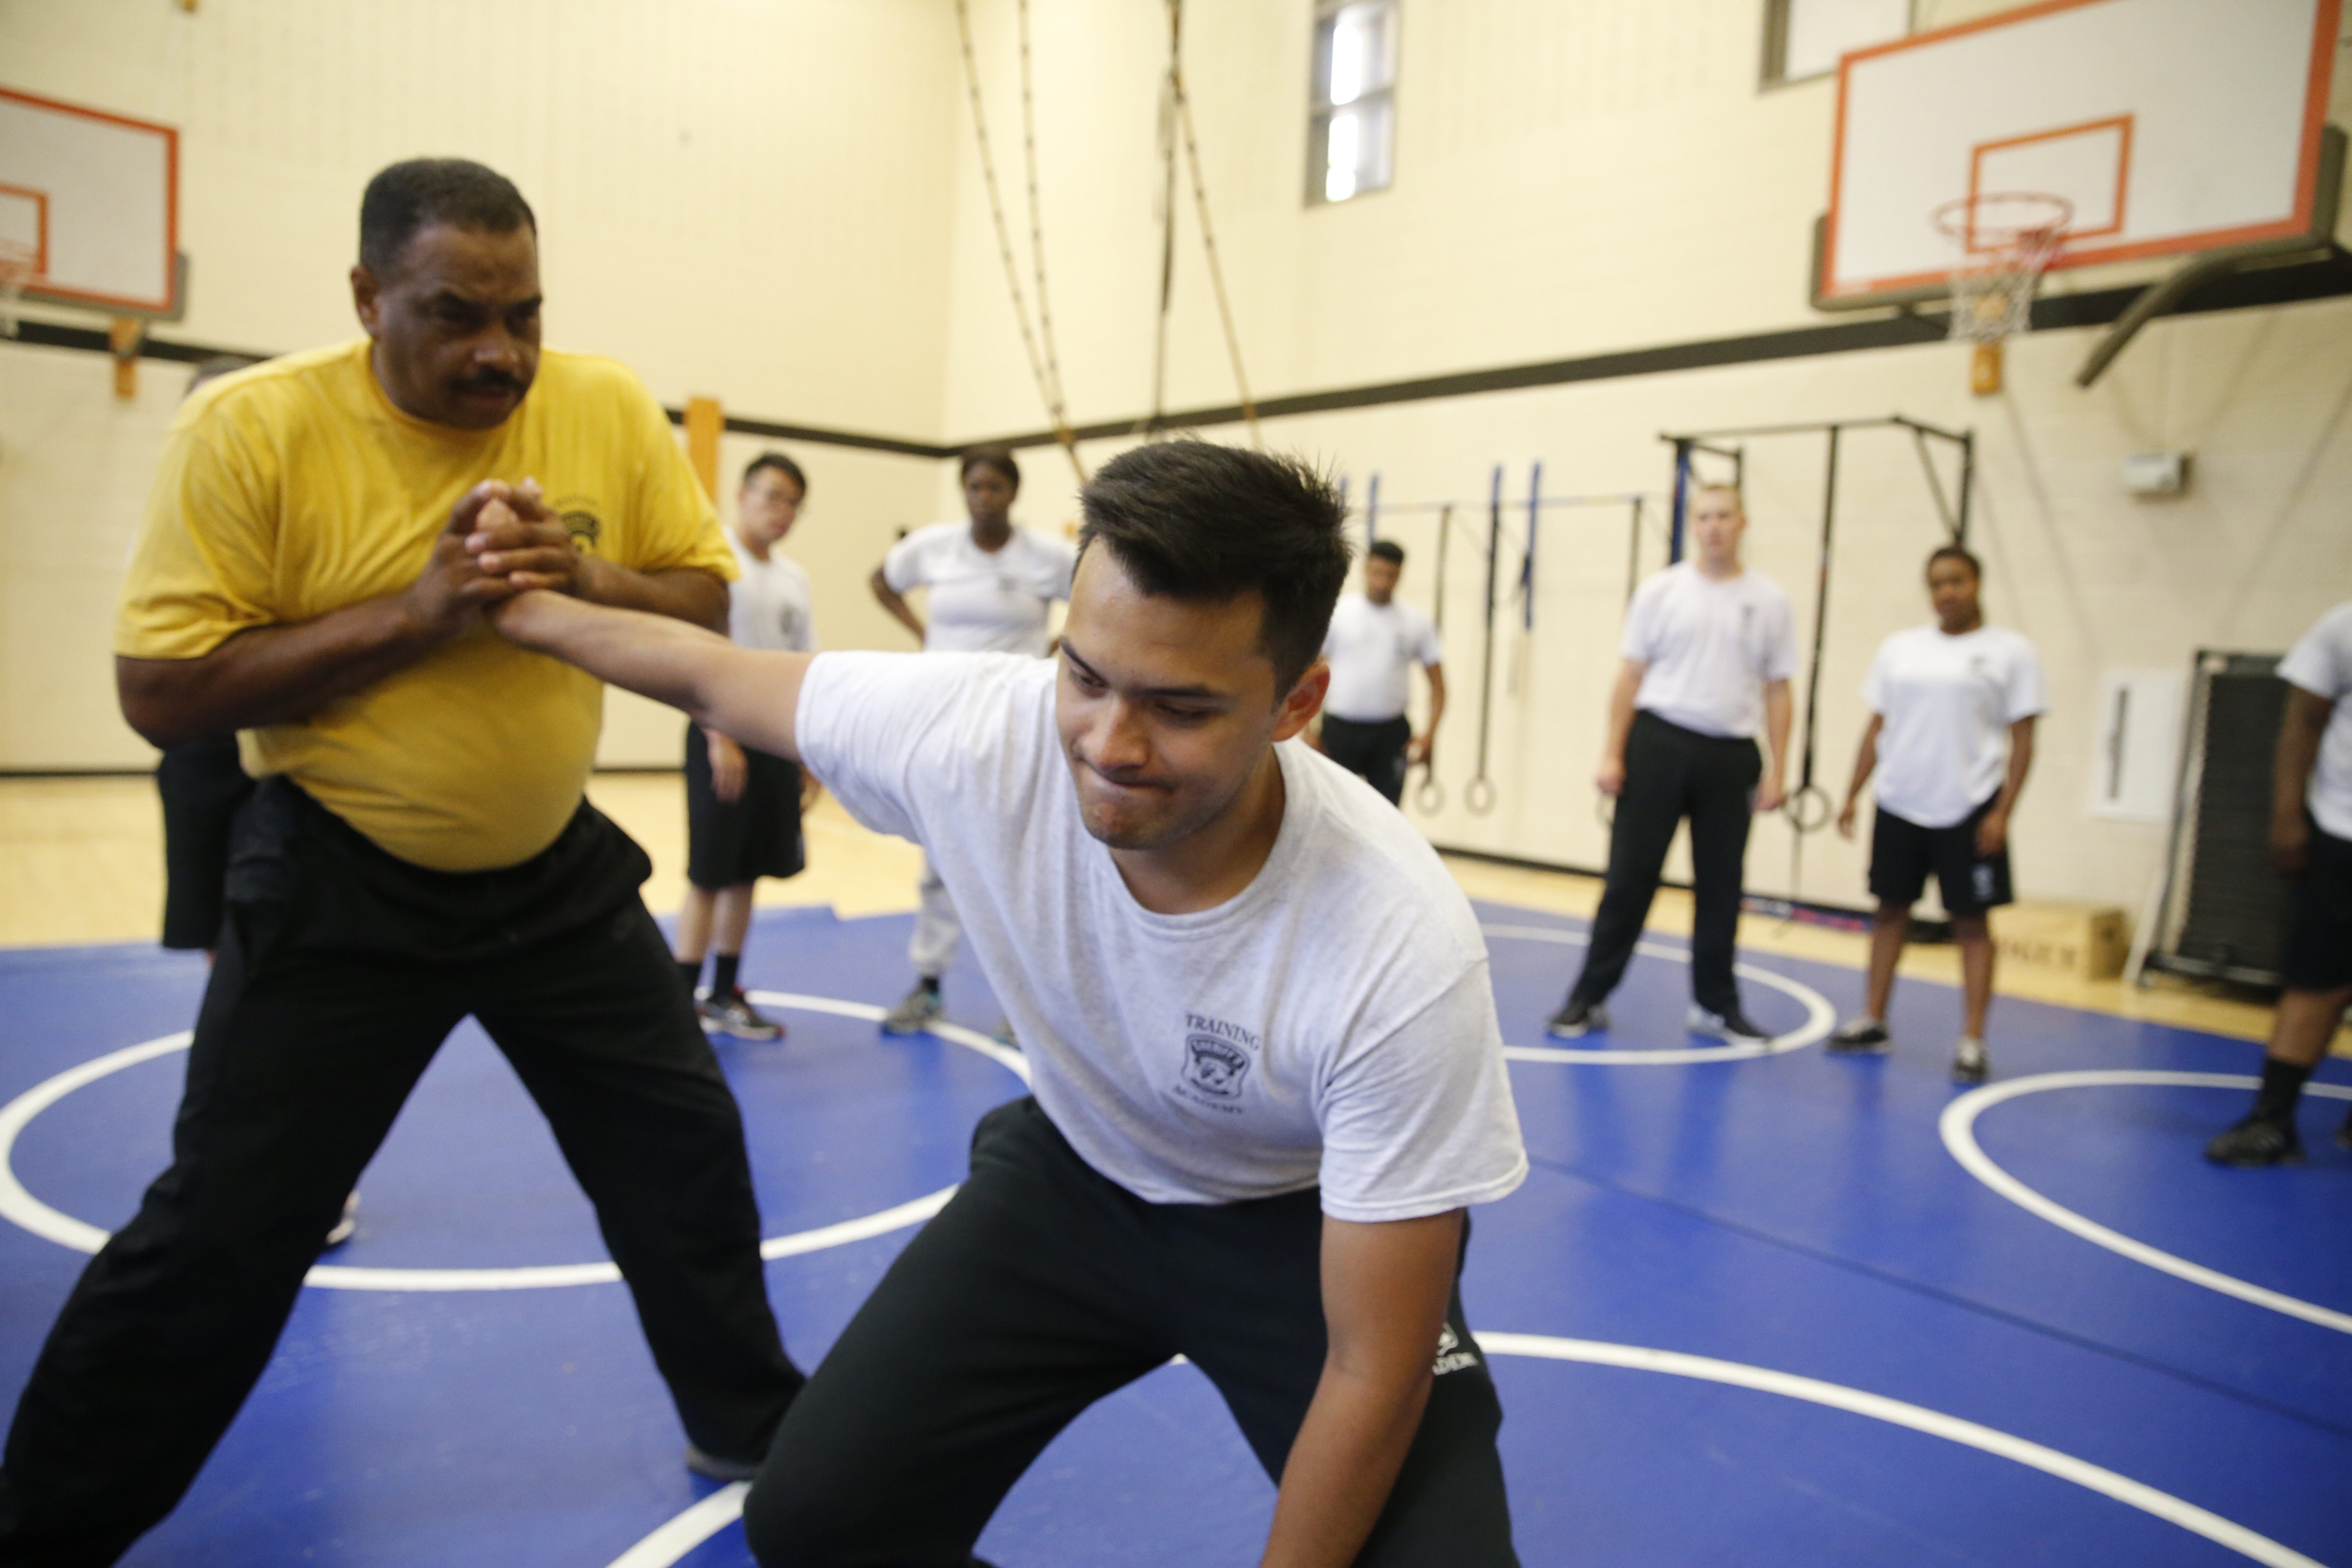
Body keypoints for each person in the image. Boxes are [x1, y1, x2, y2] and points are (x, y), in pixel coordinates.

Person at [493, 439, 1530, 1568]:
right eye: (1085, 676)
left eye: (1180, 708)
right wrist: (515, 607)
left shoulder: (1397, 944)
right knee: (817, 1527)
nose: (1109, 745)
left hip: (1294, 1223)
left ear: (1298, 702)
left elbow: (1372, 1370)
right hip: (1074, 1180)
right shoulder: (982, 732)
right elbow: (709, 675)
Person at [0, 159, 804, 1567]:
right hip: (340, 877)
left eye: (524, 314)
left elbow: (699, 593)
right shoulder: (250, 427)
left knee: (683, 1149)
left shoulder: (604, 403)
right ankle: (41, 1526)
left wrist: (582, 576)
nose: (499, 349)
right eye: (454, 313)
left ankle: (748, 1424)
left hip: (554, 873)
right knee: (226, 1230)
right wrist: (426, 610)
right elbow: (163, 690)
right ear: (369, 298)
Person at [1546, 483, 1795, 1046]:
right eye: (1703, 517)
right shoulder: (1661, 591)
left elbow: (1779, 690)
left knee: (1721, 887)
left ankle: (1716, 1006)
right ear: (1693, 525)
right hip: (1658, 744)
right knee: (1629, 880)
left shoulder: (1770, 600)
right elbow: (1629, 677)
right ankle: (1587, 998)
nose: (1712, 526)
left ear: (1743, 523)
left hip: (1731, 755)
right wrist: (1613, 752)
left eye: (1723, 516)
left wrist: (1778, 769)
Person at [867, 446, 1075, 1037]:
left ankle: (1023, 1005)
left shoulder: (1045, 556)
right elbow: (881, 581)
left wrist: (1053, 654)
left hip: (1015, 725)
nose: (984, 497)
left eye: (995, 487)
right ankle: (928, 985)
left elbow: (1093, 597)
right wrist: (923, 634)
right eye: (974, 487)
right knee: (939, 861)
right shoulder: (934, 547)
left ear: (1014, 492)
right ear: (964, 491)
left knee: (1017, 862)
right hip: (944, 722)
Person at [1826, 545, 2044, 1084]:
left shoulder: (2010, 652)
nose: (1947, 592)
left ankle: (1972, 1040)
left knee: (1971, 923)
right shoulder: (1901, 649)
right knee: (1889, 912)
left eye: (1957, 581)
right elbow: (1878, 726)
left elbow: (2024, 740)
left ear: (1977, 583)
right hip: (1900, 801)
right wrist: (1854, 792)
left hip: (1968, 808)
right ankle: (1873, 1019)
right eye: (1937, 583)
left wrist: (2003, 812)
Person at [677, 450, 819, 1041]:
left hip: (773, 739)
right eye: (771, 496)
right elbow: (689, 652)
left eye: (792, 503)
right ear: (742, 495)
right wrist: (719, 736)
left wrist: (810, 751)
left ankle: (724, 992)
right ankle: (678, 1001)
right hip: (719, 736)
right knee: (709, 873)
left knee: (748, 873)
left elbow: (805, 663)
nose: (780, 511)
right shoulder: (712, 562)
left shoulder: (794, 579)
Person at [2206, 600, 2352, 1166]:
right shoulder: (2344, 626)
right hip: (2342, 831)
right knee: (2316, 978)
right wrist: (2288, 815)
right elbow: (2302, 719)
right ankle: (2273, 1118)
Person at [1316, 538, 1446, 805]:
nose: (1382, 582)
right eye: (1377, 573)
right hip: (1340, 731)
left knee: (1388, 812)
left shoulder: (1415, 622)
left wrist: (1429, 736)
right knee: (1333, 809)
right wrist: (1308, 728)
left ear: (1400, 576)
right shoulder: (1338, 613)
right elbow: (1309, 672)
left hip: (1390, 734)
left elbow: (1439, 686)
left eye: (1391, 576)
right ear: (1366, 571)